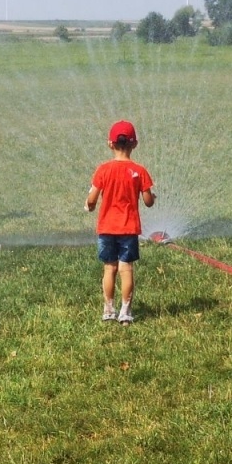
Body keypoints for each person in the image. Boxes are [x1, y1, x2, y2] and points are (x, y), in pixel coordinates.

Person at [85, 120, 156, 325]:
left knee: (109, 269)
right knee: (126, 270)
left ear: (110, 143)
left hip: (107, 228)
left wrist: (89, 206)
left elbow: (92, 200)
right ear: (135, 144)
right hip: (129, 228)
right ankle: (125, 312)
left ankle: (108, 310)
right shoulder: (139, 171)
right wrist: (153, 197)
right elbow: (148, 202)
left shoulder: (103, 170)